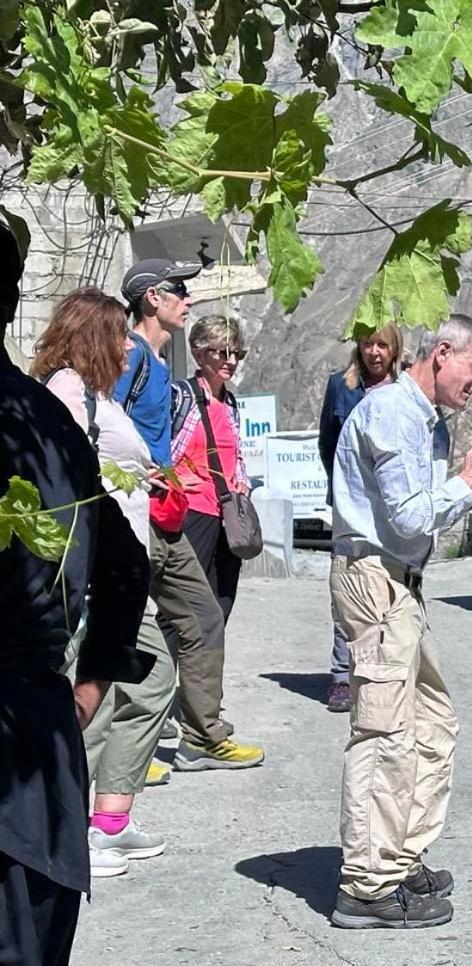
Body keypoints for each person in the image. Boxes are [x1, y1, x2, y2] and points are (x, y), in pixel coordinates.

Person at [329, 315, 472, 929]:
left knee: (431, 726)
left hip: (400, 588)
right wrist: (469, 481)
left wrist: (463, 479)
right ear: (443, 354)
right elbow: (410, 520)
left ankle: (400, 856)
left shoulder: (423, 420)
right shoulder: (392, 414)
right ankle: (366, 887)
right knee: (385, 734)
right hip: (377, 584)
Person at [0, 223, 152, 963]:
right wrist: (90, 679)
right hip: (37, 735)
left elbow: (122, 565)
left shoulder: (45, 419)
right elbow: (125, 566)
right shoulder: (51, 422)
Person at [30, 287, 176, 878]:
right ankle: (80, 828)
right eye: (117, 336)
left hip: (118, 567)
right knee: (123, 683)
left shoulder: (95, 395)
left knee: (132, 687)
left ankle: (106, 820)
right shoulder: (68, 394)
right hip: (92, 573)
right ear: (95, 337)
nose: (125, 348)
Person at [116, 259, 264, 772]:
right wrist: (142, 473)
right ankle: (127, 747)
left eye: (235, 353)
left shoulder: (154, 364)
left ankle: (203, 734)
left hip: (178, 514)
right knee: (137, 625)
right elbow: (101, 424)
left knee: (206, 617)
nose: (189, 298)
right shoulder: (133, 358)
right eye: (179, 290)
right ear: (152, 297)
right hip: (145, 513)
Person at [317, 324, 403, 713]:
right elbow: (327, 444)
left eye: (382, 344)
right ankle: (341, 676)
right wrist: (346, 488)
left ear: (394, 348)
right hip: (352, 509)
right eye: (368, 343)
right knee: (349, 586)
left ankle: (389, 670)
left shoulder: (406, 389)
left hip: (397, 507)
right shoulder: (341, 386)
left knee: (395, 587)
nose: (374, 352)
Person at [171, 315, 252, 624]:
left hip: (228, 517)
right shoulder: (181, 397)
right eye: (223, 352)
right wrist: (173, 477)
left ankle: (207, 669)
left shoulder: (230, 403)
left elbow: (237, 455)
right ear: (199, 353)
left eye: (237, 353)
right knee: (184, 606)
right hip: (192, 512)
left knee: (221, 605)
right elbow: (159, 449)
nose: (231, 361)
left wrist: (242, 483)